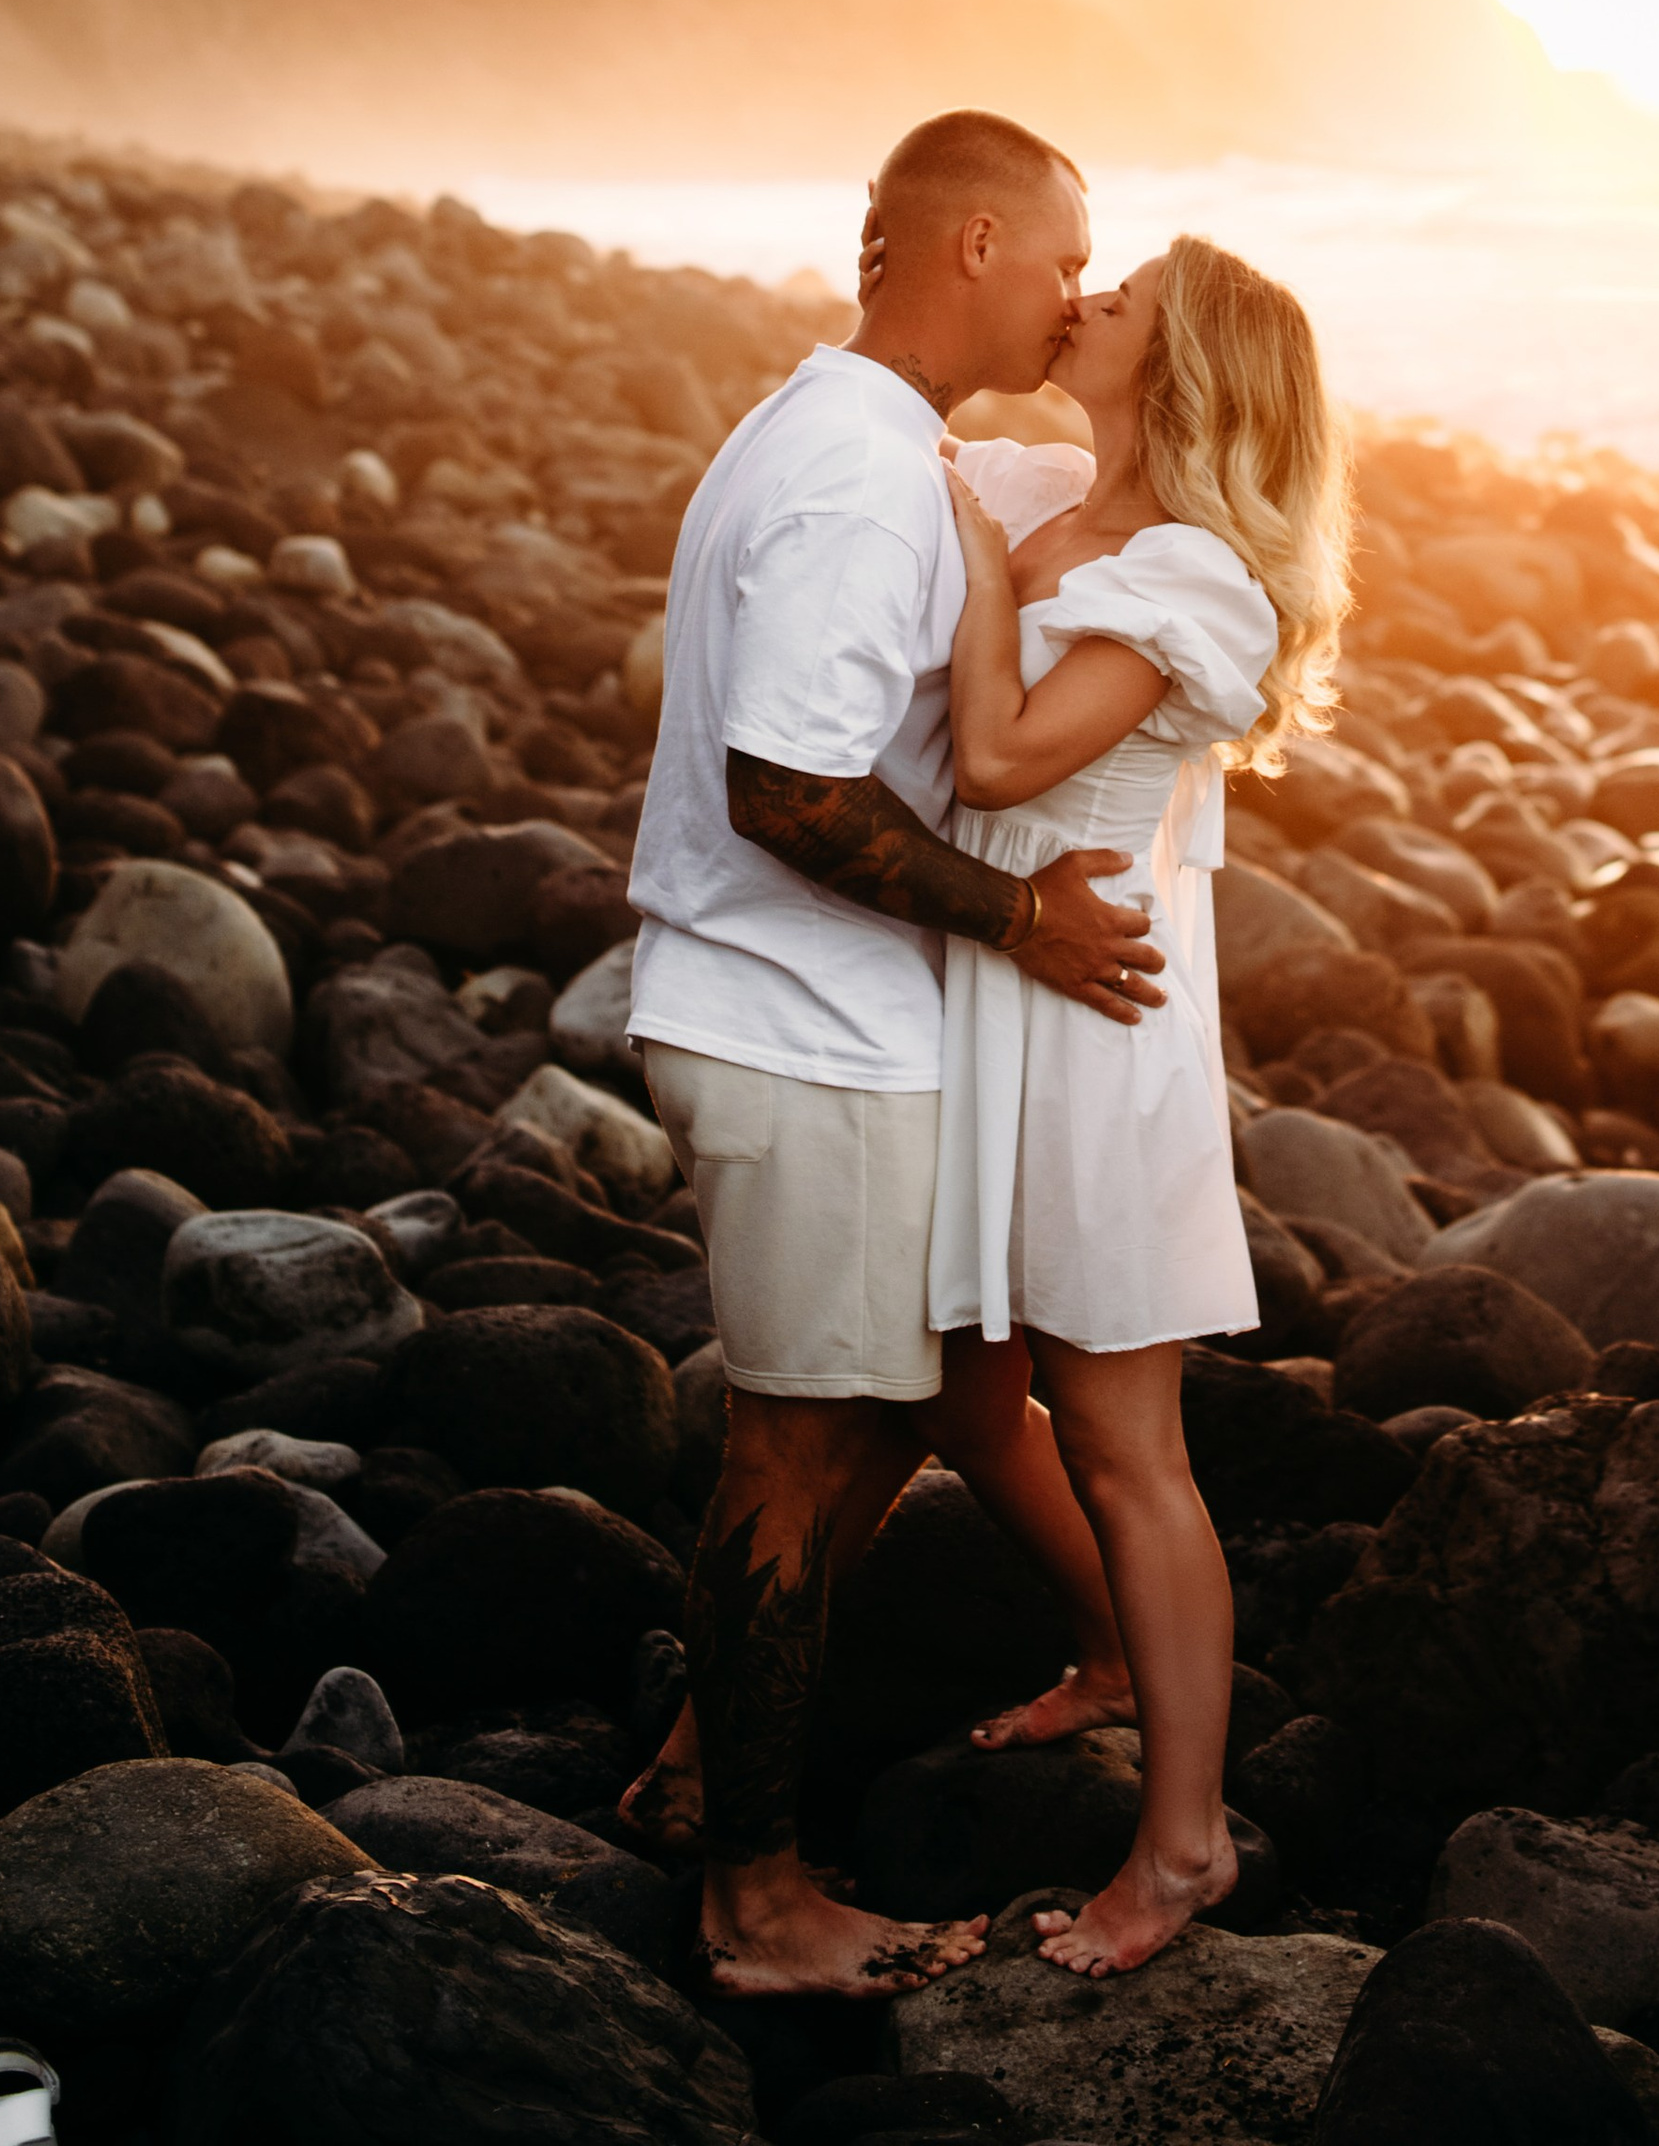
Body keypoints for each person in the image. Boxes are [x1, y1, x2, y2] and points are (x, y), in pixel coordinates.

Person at [616, 108, 1169, 2002]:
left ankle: (707, 1787)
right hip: (796, 1028)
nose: (1076, 294)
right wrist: (1020, 917)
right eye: (1063, 258)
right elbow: (786, 787)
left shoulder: (855, 435)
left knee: (876, 1403)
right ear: (975, 244)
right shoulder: (855, 479)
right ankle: (756, 1905)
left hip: (813, 1021)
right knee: (788, 1449)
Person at [930, 234, 1351, 1975]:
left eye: (1129, 301)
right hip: (983, 988)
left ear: (1182, 375)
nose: (1088, 298)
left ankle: (1182, 1847)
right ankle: (1108, 1653)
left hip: (1089, 1024)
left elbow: (1003, 759)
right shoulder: (1034, 479)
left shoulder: (1192, 576)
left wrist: (967, 571)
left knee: (1121, 1440)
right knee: (963, 1396)